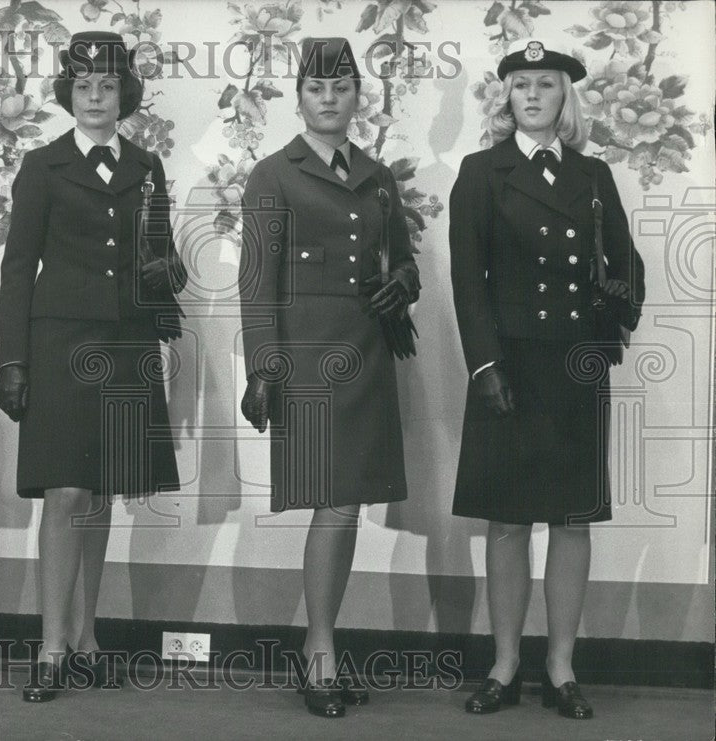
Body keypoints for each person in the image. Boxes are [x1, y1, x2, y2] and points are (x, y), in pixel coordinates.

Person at [449, 38, 645, 719]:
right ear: (507, 97)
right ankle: (504, 664)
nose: (531, 94)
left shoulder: (593, 177)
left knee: (571, 521)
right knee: (507, 522)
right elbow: (466, 282)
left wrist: (619, 300)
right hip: (509, 366)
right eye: (521, 84)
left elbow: (626, 260)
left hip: (574, 364)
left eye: (546, 84)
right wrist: (484, 364)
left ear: (566, 98)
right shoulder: (481, 171)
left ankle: (561, 665)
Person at [0, 31, 185, 702]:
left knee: (102, 489)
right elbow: (18, 267)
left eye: (108, 85)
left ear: (123, 93)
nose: (97, 95)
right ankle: (49, 644)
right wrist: (11, 360)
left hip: (129, 345)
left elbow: (156, 255)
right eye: (84, 86)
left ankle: (85, 637)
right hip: (60, 344)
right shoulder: (42, 165)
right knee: (65, 491)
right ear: (69, 94)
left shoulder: (147, 164)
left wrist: (169, 279)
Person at [238, 37, 420, 718]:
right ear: (299, 97)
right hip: (307, 362)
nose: (329, 98)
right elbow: (254, 280)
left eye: (341, 87)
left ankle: (323, 647)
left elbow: (404, 262)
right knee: (333, 503)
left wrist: (402, 281)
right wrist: (262, 366)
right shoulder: (271, 175)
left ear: (357, 96)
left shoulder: (376, 176)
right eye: (317, 88)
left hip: (367, 357)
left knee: (346, 506)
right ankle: (319, 653)